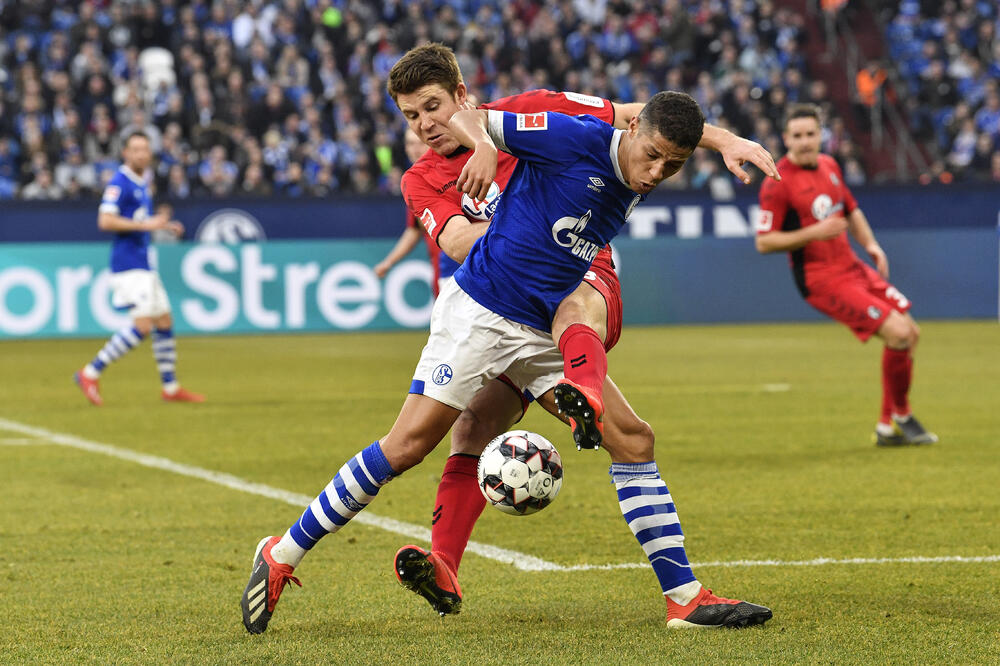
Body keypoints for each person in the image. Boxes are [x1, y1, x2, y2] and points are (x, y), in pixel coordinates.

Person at [240, 90, 773, 634]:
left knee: (634, 439)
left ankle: (683, 598)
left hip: (543, 325)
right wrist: (487, 149)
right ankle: (280, 554)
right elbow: (476, 125)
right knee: (407, 446)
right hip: (481, 313)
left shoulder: (615, 136)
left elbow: (658, 115)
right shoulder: (566, 135)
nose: (658, 171)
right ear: (633, 134)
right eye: (653, 155)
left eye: (673, 165)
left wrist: (728, 141)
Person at [379, 43, 776, 620]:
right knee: (476, 424)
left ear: (461, 96)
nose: (424, 125)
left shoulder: (536, 114)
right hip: (501, 297)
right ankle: (444, 565)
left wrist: (723, 139)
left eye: (432, 108)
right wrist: (511, 237)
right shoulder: (421, 178)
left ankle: (583, 391)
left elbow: (637, 118)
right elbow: (462, 247)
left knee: (580, 309)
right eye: (410, 116)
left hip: (578, 270)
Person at [755, 104, 936, 446]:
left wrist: (872, 246)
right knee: (898, 333)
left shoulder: (829, 165)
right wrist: (814, 233)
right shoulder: (776, 183)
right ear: (785, 139)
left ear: (822, 134)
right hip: (821, 279)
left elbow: (851, 210)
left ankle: (887, 427)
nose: (805, 142)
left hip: (852, 267)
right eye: (797, 136)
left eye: (811, 134)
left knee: (911, 333)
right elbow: (765, 242)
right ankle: (901, 415)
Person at [73, 131, 204, 406]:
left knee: (164, 320)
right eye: (136, 150)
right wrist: (147, 226)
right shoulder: (119, 182)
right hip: (128, 265)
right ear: (126, 153)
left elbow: (140, 220)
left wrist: (163, 225)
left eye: (145, 149)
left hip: (144, 263)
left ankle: (170, 388)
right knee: (142, 325)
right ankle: (89, 372)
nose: (142, 154)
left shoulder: (142, 181)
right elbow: (106, 221)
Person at [373, 128, 443, 296]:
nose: (415, 149)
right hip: (441, 274)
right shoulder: (414, 181)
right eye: (411, 143)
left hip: (468, 271)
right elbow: (415, 229)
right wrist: (389, 262)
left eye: (420, 143)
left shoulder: (450, 173)